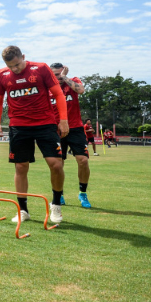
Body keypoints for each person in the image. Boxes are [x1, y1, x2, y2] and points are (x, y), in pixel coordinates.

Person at [0, 46, 69, 224]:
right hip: (19, 126)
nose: (14, 69)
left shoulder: (41, 68)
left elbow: (58, 94)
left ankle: (56, 204)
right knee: (20, 167)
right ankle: (23, 210)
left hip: (45, 124)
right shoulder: (1, 75)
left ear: (23, 57)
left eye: (17, 65)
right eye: (10, 66)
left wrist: (63, 119)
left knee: (56, 164)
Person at [49, 63, 92, 208]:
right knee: (58, 164)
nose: (58, 77)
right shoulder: (47, 88)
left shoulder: (72, 81)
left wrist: (65, 77)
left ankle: (82, 193)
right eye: (55, 74)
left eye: (60, 74)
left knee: (83, 161)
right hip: (56, 131)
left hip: (75, 128)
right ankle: (59, 194)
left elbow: (81, 90)